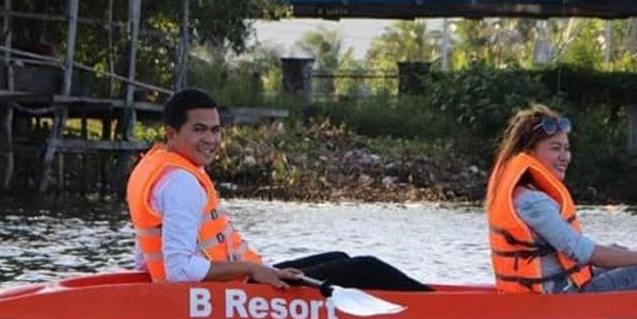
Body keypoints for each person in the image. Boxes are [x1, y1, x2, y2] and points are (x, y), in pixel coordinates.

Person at [126, 87, 429, 291]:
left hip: (233, 282)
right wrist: (256, 271)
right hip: (226, 294)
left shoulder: (157, 166)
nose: (211, 139)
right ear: (171, 133)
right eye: (199, 130)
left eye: (216, 130)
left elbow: (145, 258)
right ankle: (437, 308)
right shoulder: (181, 183)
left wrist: (258, 270)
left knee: (341, 255)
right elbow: (178, 272)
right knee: (366, 268)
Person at [484, 104, 637, 294]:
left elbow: (572, 253)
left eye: (567, 149)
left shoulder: (523, 194)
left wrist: (620, 253)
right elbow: (584, 253)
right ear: (529, 154)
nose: (565, 157)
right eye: (555, 148)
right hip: (560, 301)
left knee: (621, 254)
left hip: (556, 291)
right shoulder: (533, 202)